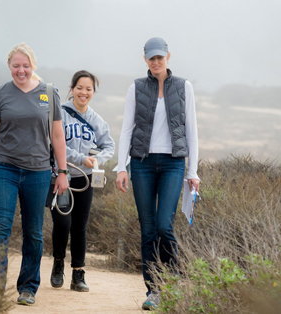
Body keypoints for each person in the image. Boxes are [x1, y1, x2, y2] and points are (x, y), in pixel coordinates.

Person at [0, 42, 70, 306]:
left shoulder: (49, 93)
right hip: (3, 168)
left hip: (38, 172)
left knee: (33, 232)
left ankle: (28, 288)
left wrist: (62, 172)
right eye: (16, 66)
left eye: (26, 66)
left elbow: (58, 136)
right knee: (1, 227)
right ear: (9, 67)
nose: (21, 71)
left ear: (33, 66)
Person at [114, 37, 200, 311]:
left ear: (168, 56)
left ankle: (172, 282)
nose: (155, 62)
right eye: (151, 58)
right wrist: (121, 167)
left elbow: (191, 131)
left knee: (165, 225)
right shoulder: (136, 88)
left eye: (159, 57)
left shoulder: (184, 86)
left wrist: (193, 170)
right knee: (148, 230)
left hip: (173, 163)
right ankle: (153, 291)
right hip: (142, 164)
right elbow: (127, 129)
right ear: (145, 59)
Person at [49, 70, 115, 292]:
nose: (83, 92)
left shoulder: (97, 120)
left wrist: (96, 160)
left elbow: (110, 146)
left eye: (88, 89)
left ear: (93, 92)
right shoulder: (61, 113)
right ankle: (58, 263)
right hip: (61, 176)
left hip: (85, 180)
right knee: (62, 223)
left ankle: (78, 273)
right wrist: (80, 159)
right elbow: (55, 142)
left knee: (79, 227)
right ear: (72, 89)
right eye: (79, 88)